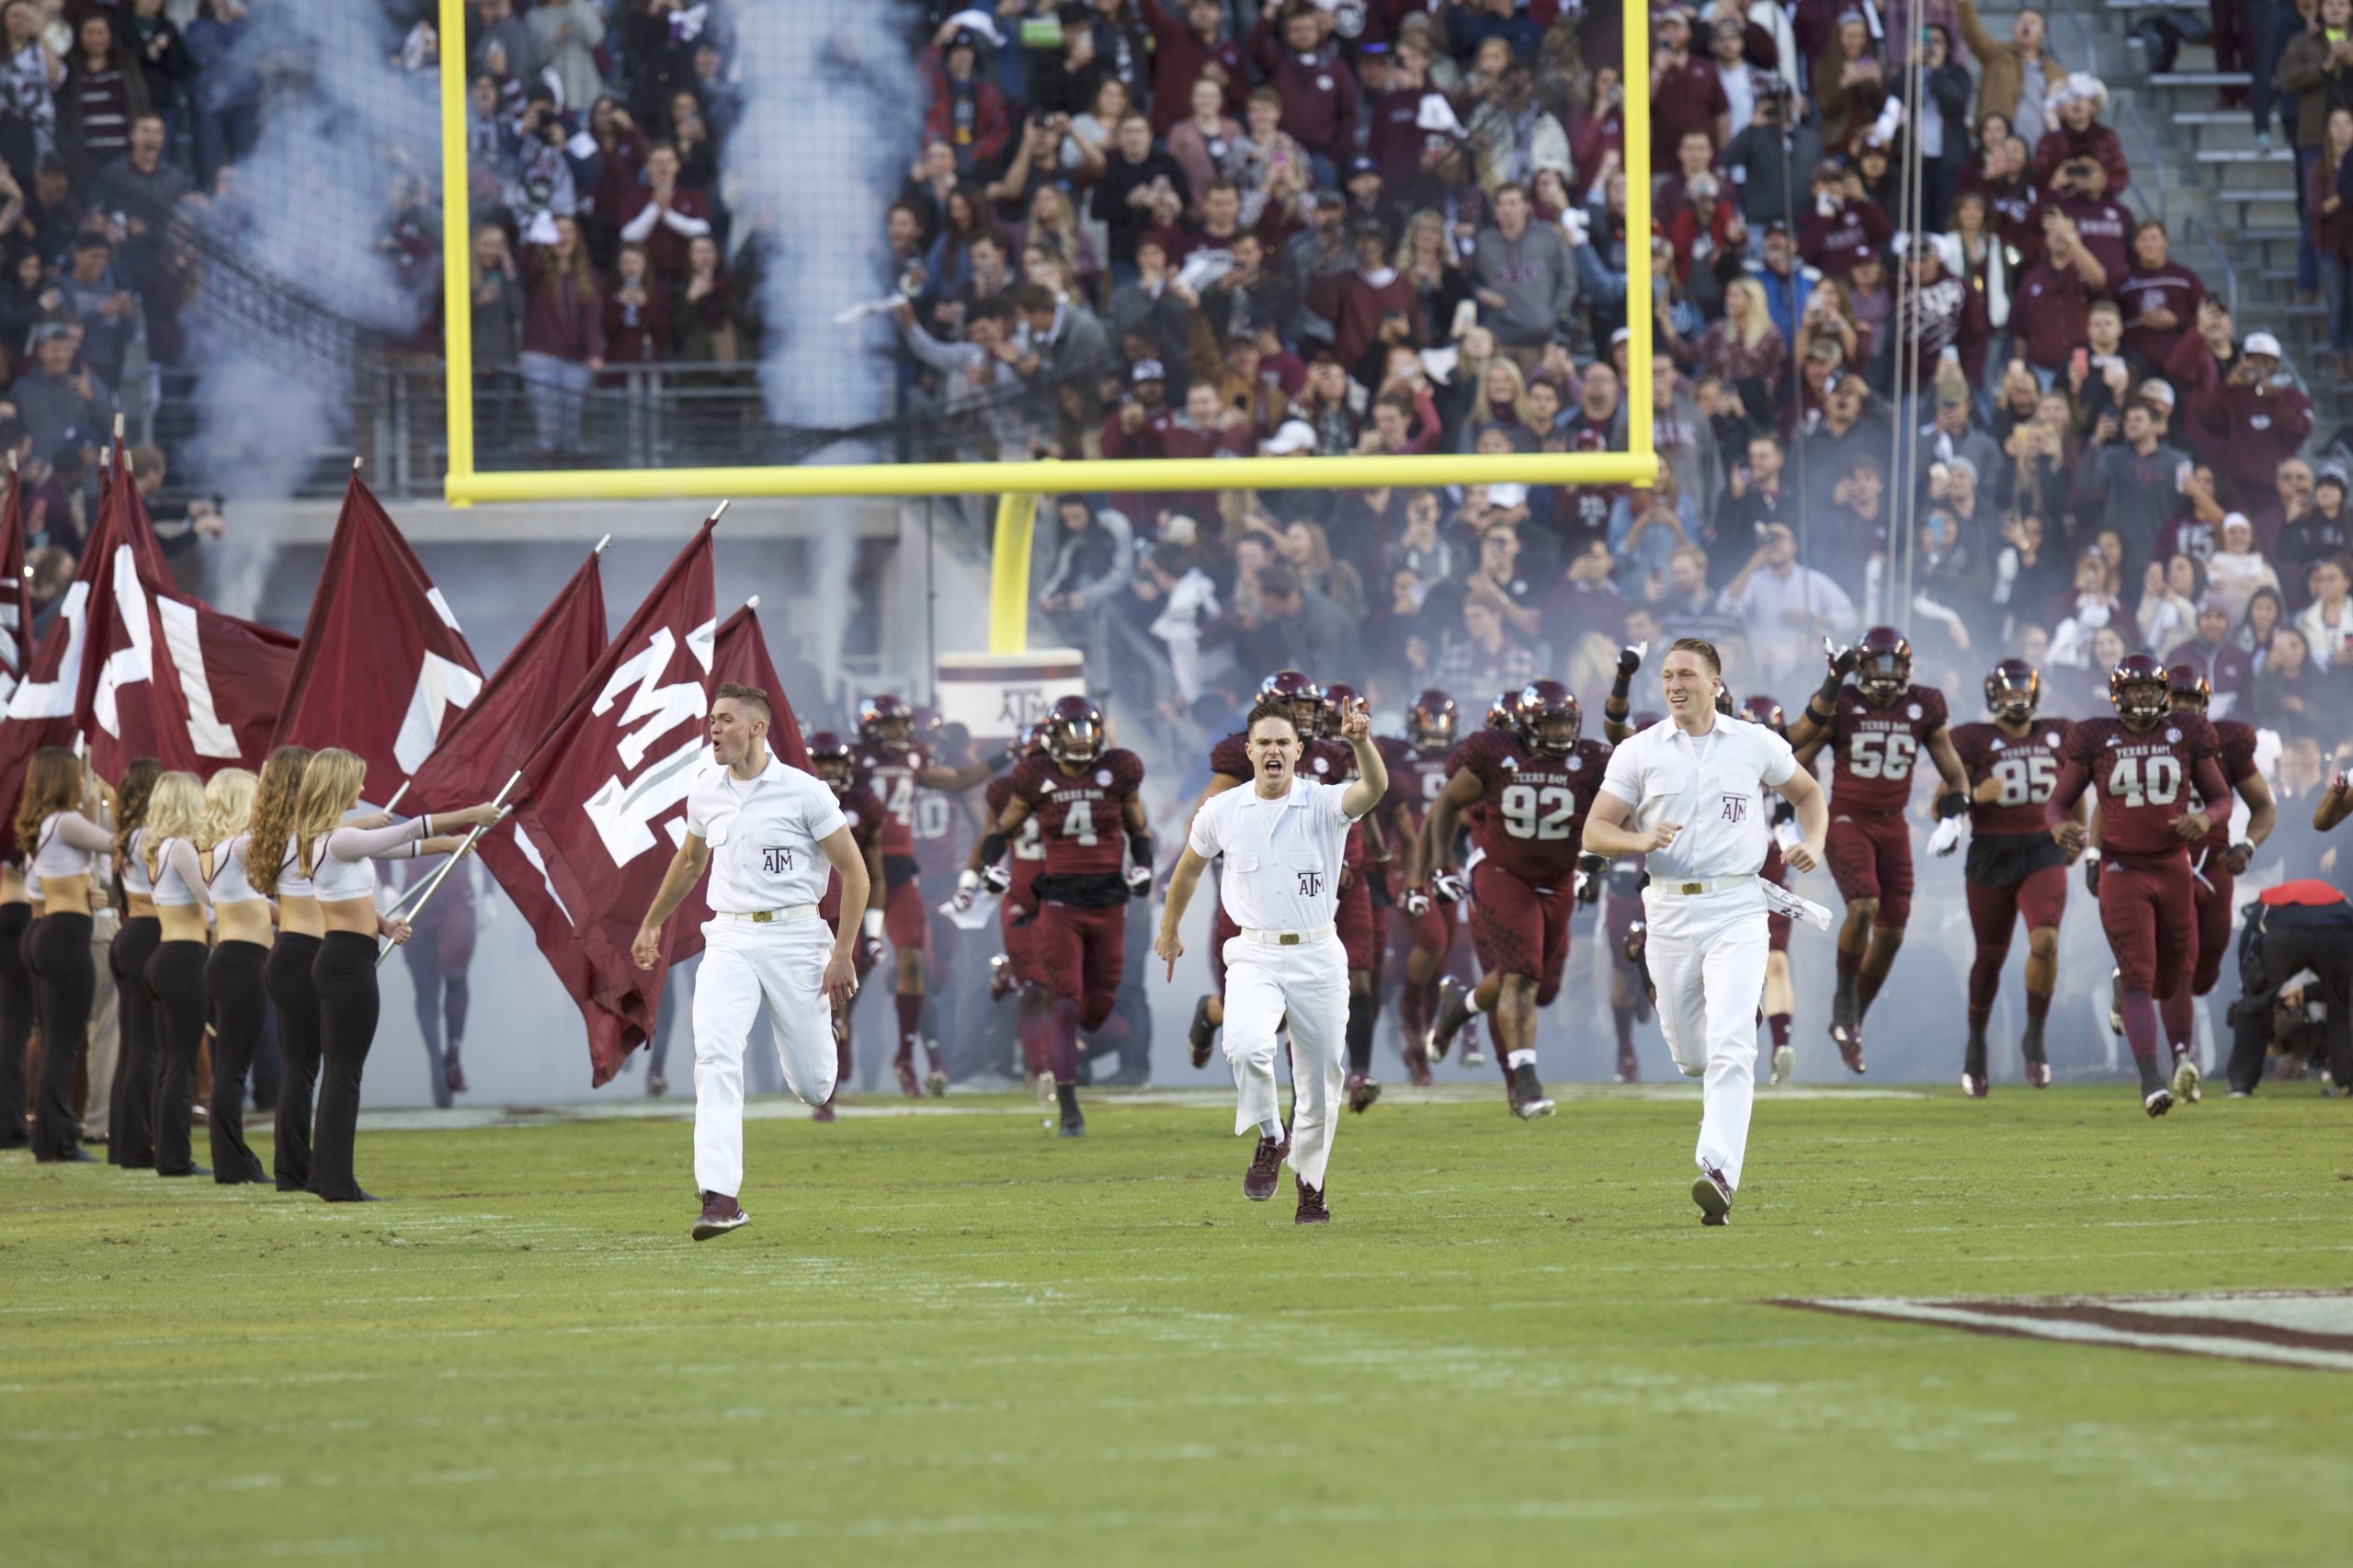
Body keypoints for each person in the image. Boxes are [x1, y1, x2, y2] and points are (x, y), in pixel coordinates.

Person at [1581, 639, 1828, 1225]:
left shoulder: (1755, 742)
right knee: (1693, 1056)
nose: (1675, 684)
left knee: (1733, 1048)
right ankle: (1737, 1026)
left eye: (1687, 674)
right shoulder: (1639, 752)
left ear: (1716, 682)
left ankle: (1718, 1171)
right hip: (1668, 910)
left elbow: (1809, 792)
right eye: (1667, 675)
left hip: (1738, 907)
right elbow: (1594, 831)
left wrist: (1812, 843)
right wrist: (1639, 841)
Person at [631, 686, 869, 1241]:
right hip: (730, 938)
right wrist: (652, 921)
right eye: (712, 720)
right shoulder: (705, 790)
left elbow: (855, 874)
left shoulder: (806, 792)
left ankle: (817, 1044)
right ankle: (719, 1197)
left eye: (726, 720)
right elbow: (690, 861)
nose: (713, 729)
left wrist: (842, 952)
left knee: (814, 1086)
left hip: (796, 937)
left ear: (757, 729)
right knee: (714, 1054)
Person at [1156, 690, 1387, 1225]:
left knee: (1320, 1083)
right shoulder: (1223, 810)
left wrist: (1363, 743)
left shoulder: (1325, 802)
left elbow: (1374, 788)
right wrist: (1170, 929)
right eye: (1264, 743)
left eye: (1283, 741)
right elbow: (1188, 868)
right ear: (1249, 750)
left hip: (1318, 955)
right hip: (1254, 954)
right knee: (1244, 1046)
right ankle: (1270, 1136)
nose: (1274, 751)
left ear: (1299, 750)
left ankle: (1312, 1191)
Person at [296, 751, 491, 1202]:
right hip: (346, 961)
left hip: (347, 953)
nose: (363, 793)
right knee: (346, 1075)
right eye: (358, 784)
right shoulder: (340, 839)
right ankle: (339, 1184)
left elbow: (384, 856)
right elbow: (402, 834)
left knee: (339, 1073)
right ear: (339, 787)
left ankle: (324, 1177)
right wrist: (469, 815)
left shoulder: (333, 840)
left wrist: (383, 922)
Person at [2047, 655, 2235, 1116]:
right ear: (2118, 695)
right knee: (2139, 974)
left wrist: (2204, 818)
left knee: (2174, 978)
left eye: (2152, 690)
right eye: (2136, 691)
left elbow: (2222, 798)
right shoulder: (2096, 736)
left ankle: (2167, 1044)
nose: (2146, 698)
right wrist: (2057, 828)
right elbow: (2057, 803)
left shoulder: (2187, 734)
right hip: (2121, 868)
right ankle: (2151, 1079)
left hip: (2173, 866)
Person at [1420, 681, 1610, 1119]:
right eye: (1551, 723)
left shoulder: (1592, 760)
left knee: (1540, 988)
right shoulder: (1496, 751)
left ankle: (1459, 1006)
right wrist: (1439, 866)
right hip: (1503, 873)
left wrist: (1599, 856)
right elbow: (1447, 804)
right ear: (1526, 725)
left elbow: (1617, 810)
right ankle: (1525, 1083)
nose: (1561, 732)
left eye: (1567, 723)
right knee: (1522, 976)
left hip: (1559, 880)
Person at [1787, 627, 1972, 1072]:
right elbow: (1793, 753)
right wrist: (1791, 808)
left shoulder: (1923, 705)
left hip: (1894, 826)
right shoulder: (1844, 704)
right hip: (1848, 818)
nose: (1886, 676)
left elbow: (1954, 770)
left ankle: (1850, 1019)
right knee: (1865, 904)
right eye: (1877, 665)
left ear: (1908, 669)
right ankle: (1845, 1003)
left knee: (1891, 933)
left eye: (1894, 665)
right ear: (1861, 668)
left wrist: (1954, 814)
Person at [981, 697, 1150, 1138]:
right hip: (1059, 903)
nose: (1080, 743)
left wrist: (1144, 865)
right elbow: (1004, 826)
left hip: (1109, 901)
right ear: (1052, 739)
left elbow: (1139, 827)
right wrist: (987, 867)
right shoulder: (1035, 777)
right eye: (1071, 733)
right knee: (1066, 1003)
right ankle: (1069, 1108)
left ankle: (1068, 1058)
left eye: (1088, 733)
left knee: (1098, 1008)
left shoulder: (1120, 770)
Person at [848, 693, 1010, 1098]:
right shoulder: (851, 763)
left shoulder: (916, 759)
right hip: (853, 873)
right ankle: (833, 1053)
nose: (902, 734)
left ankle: (911, 1060)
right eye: (893, 727)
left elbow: (961, 785)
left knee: (918, 964)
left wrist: (1006, 756)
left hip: (904, 873)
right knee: (845, 971)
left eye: (906, 727)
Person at [1942, 659, 2077, 1096]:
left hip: (2043, 849)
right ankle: (1976, 1041)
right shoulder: (1972, 738)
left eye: (2024, 689)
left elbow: (2077, 788)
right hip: (1991, 855)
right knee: (1990, 955)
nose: (2017, 697)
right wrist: (1975, 794)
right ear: (1993, 695)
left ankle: (2034, 1036)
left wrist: (2079, 836)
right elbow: (1938, 805)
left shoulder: (2060, 732)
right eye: (2010, 689)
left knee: (2046, 941)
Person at [2143, 665, 2275, 1104]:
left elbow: (2263, 806)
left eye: (2191, 701)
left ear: (2205, 704)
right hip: (2163, 862)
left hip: (2215, 865)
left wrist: (2248, 846)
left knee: (2204, 974)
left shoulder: (2226, 743)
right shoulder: (2140, 740)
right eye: (2175, 700)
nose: (2183, 709)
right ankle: (2183, 1059)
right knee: (2179, 966)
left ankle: (2137, 975)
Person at [17, 747, 109, 1163]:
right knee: (65, 1043)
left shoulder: (40, 827)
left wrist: (84, 892)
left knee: (55, 1039)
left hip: (45, 930)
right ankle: (58, 1141)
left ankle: (48, 1137)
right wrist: (102, 808)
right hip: (65, 934)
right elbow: (116, 843)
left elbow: (36, 888)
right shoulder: (67, 822)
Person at [248, 747, 324, 1192]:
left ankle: (292, 1166)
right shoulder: (306, 836)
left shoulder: (271, 834)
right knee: (306, 1067)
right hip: (306, 952)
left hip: (286, 951)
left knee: (299, 1067)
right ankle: (299, 1166)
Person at [961, 725, 1048, 1097]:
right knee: (1036, 986)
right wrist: (969, 882)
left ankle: (1056, 1062)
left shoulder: (1080, 790)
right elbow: (988, 841)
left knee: (1071, 991)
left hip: (1069, 896)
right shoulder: (1005, 792)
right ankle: (1042, 1069)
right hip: (1024, 897)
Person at [1380, 689, 1460, 1085]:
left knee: (1441, 959)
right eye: (1429, 721)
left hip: (1445, 862)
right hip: (1405, 859)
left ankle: (1416, 1031)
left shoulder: (1464, 755)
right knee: (1431, 942)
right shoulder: (1395, 753)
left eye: (1441, 722)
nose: (1436, 731)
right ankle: (1413, 1042)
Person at [808, 731, 889, 1121]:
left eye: (834, 764)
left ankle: (829, 1098)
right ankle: (829, 1080)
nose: (828, 771)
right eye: (820, 763)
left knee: (837, 1009)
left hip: (845, 918)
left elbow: (874, 873)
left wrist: (873, 932)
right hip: (804, 916)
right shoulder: (791, 800)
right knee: (819, 1009)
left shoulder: (862, 806)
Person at [140, 771, 213, 1180]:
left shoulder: (157, 847)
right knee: (179, 1063)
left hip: (165, 956)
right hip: (183, 957)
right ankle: (175, 1158)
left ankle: (166, 1154)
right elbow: (211, 896)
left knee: (170, 1062)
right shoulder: (180, 847)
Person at [197, 767, 268, 1183]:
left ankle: (232, 1158)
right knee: (233, 1069)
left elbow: (256, 906)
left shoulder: (218, 849)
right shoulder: (240, 845)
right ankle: (232, 1161)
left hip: (232, 958)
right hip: (240, 962)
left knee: (232, 1066)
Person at [104, 757, 160, 1168]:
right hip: (149, 935)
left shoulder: (128, 835)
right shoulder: (149, 838)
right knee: (145, 1048)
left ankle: (124, 1143)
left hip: (131, 936)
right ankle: (137, 1145)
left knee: (133, 1047)